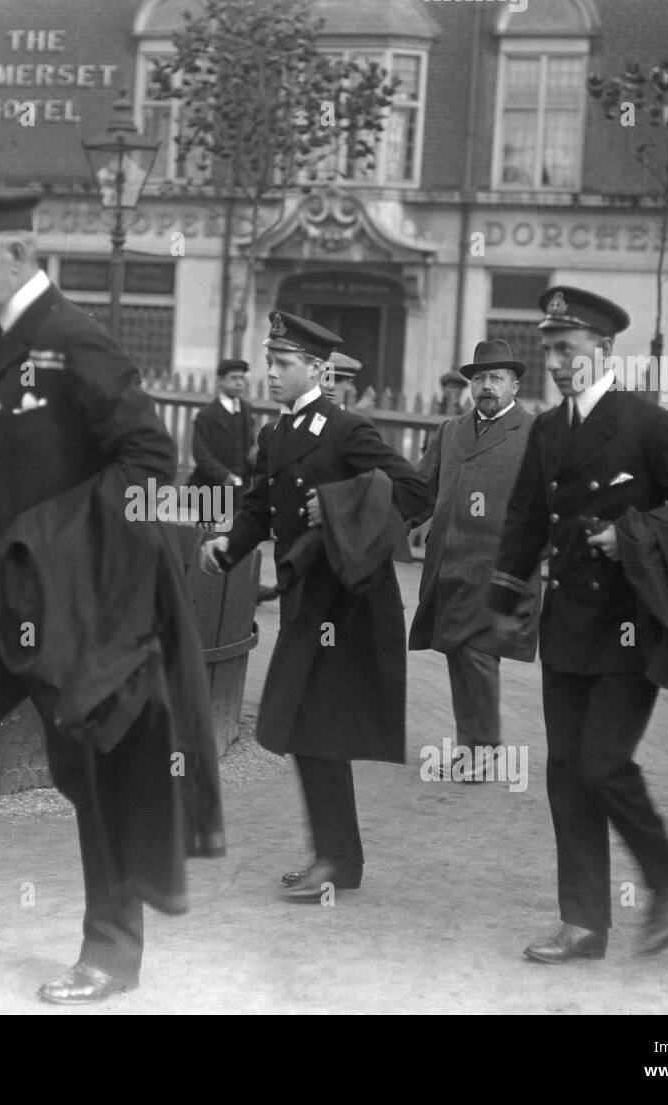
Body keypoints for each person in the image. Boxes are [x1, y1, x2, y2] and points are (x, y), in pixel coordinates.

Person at [0, 189, 222, 1003]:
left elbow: (149, 463)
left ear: (19, 252)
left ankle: (112, 951)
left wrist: (53, 539)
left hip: (64, 602)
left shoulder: (72, 339)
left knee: (91, 768)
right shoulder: (8, 340)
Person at [489, 286, 668, 963]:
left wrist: (635, 534)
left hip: (630, 629)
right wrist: (501, 602)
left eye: (568, 348)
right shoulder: (546, 429)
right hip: (567, 627)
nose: (557, 363)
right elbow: (527, 521)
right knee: (565, 770)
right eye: (549, 351)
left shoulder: (647, 425)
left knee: (603, 762)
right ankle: (584, 922)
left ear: (604, 349)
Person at [200, 311, 429, 902]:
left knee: (318, 727)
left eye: (282, 364)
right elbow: (256, 506)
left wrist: (336, 506)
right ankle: (336, 858)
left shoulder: (347, 428)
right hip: (308, 599)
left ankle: (336, 861)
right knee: (305, 727)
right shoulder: (276, 435)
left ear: (318, 370)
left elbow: (412, 491)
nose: (269, 374)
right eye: (269, 362)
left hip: (350, 603)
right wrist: (231, 545)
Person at [408, 340, 540, 782]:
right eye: (479, 378)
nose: (486, 386)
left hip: (499, 567)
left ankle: (481, 752)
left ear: (514, 385)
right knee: (460, 654)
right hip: (449, 564)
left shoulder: (533, 433)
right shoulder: (450, 430)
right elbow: (420, 488)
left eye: (496, 378)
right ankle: (473, 750)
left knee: (478, 653)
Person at [187, 357, 255, 526]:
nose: (239, 383)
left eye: (242, 378)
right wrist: (225, 475)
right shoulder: (207, 415)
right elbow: (201, 455)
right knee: (208, 533)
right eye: (234, 378)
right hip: (212, 486)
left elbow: (250, 445)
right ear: (220, 382)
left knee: (237, 534)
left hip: (240, 488)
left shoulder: (246, 410)